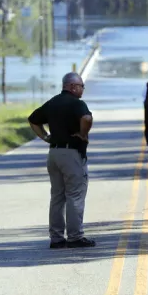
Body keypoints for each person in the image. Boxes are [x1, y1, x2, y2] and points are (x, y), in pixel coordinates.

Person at [28, 72, 96, 249]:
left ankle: (57, 238)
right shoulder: (77, 104)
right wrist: (83, 133)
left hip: (54, 153)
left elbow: (33, 120)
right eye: (81, 86)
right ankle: (75, 237)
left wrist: (45, 137)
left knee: (57, 196)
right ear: (73, 86)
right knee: (74, 195)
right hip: (71, 154)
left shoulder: (52, 102)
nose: (82, 90)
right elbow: (87, 118)